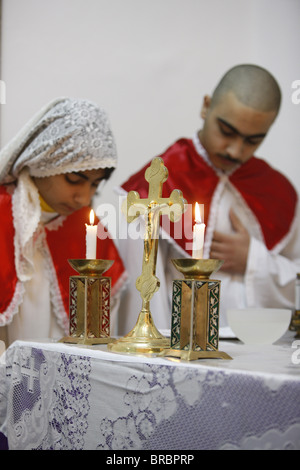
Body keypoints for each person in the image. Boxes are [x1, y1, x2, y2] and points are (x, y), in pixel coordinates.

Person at [117, 64, 300, 337]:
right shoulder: (155, 187)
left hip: (265, 347)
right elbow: (143, 290)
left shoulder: (279, 192)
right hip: (182, 349)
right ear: (206, 107)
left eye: (253, 140)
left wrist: (253, 260)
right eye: (227, 131)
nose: (235, 150)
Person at [0, 97, 127, 346]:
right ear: (43, 161)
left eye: (95, 184)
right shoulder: (5, 211)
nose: (84, 198)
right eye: (74, 179)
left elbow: (103, 325)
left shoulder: (86, 226)